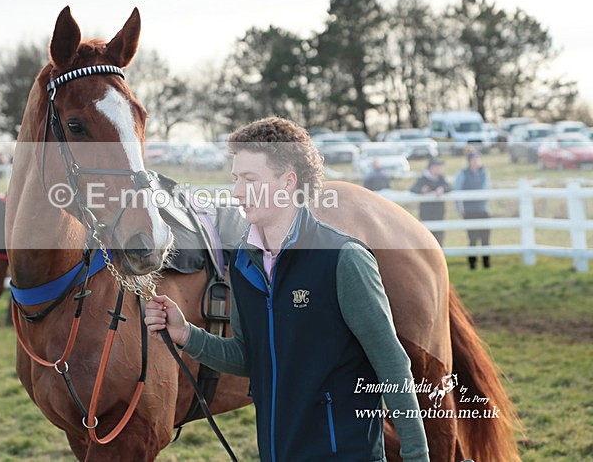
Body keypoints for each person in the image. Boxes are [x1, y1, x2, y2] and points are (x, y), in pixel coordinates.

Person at [145, 117, 429, 461]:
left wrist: (416, 456)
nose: (236, 192)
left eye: (250, 180)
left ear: (287, 181)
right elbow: (250, 358)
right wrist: (186, 334)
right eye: (236, 179)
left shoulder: (343, 260)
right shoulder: (244, 265)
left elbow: (392, 366)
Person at [454, 151, 491, 269]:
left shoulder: (484, 173)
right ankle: (472, 263)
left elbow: (486, 189)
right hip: (470, 211)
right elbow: (457, 190)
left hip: (483, 210)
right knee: (473, 238)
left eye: (478, 159)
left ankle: (486, 263)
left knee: (485, 238)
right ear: (469, 161)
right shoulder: (463, 174)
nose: (476, 162)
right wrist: (460, 209)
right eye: (474, 160)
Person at [409, 157, 451, 246]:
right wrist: (422, 190)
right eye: (437, 166)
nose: (439, 169)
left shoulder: (441, 178)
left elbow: (449, 187)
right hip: (426, 214)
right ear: (431, 167)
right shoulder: (423, 178)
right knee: (426, 240)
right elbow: (413, 189)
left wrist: (442, 189)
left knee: (439, 240)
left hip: (439, 214)